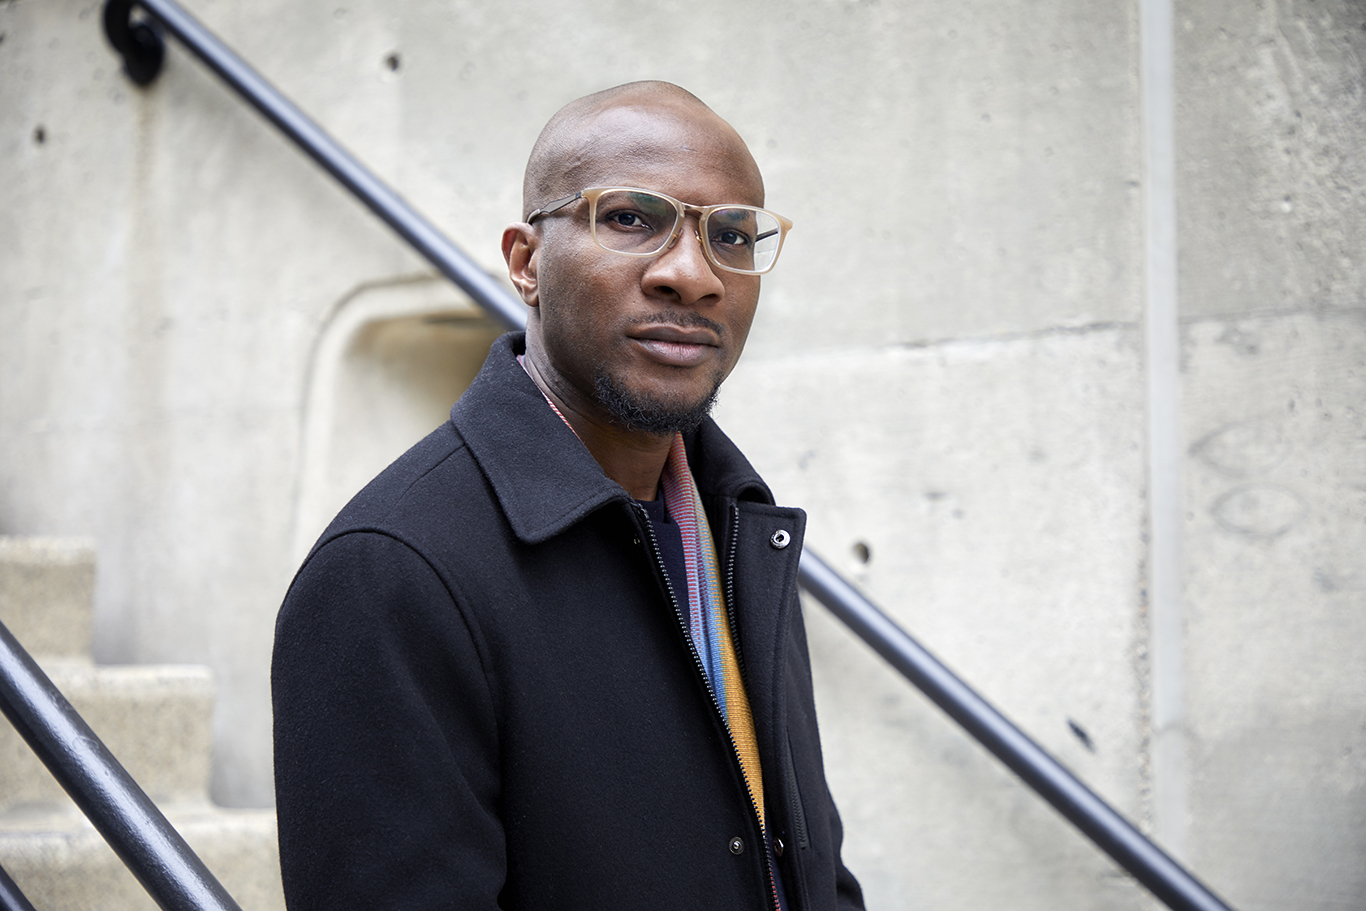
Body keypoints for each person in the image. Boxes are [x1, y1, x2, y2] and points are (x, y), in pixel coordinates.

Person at [271, 80, 864, 911]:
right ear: (526, 263)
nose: (693, 276)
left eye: (731, 233)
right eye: (630, 217)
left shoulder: (742, 529)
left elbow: (807, 869)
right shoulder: (388, 575)